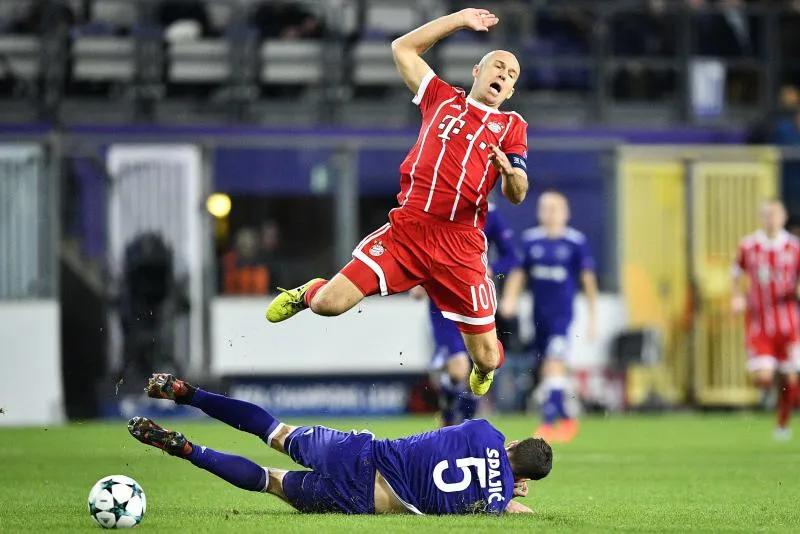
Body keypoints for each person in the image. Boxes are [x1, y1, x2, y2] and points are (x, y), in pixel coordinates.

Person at [265, 8, 529, 398]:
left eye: (510, 76)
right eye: (498, 67)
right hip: (409, 230)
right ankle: (306, 293)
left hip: (461, 245)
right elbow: (402, 48)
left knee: (489, 358)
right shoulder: (440, 98)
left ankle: (482, 367)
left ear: (509, 92)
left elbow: (518, 192)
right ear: (477, 71)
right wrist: (458, 19)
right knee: (329, 305)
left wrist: (509, 173)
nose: (503, 76)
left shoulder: (511, 126)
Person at [128, 373, 552, 515]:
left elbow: (488, 449)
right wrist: (510, 491)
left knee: (274, 432)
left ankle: (189, 394)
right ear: (525, 478)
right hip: (359, 497)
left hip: (357, 453)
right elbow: (516, 507)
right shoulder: (494, 505)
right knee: (269, 482)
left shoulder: (486, 432)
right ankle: (186, 450)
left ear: (512, 443)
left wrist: (507, 466)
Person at [412, 202, 525, 426]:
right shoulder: (438, 207)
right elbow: (421, 247)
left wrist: (492, 269)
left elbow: (511, 257)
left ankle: (464, 425)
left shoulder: (490, 214)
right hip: (442, 303)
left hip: (476, 301)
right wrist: (417, 278)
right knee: (458, 367)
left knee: (478, 366)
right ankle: (447, 419)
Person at [521, 191, 597, 443]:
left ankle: (547, 422)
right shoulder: (530, 241)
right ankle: (567, 418)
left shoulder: (575, 242)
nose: (551, 213)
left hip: (562, 317)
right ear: (539, 212)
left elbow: (588, 280)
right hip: (538, 317)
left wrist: (592, 316)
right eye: (546, 208)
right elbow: (519, 273)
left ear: (566, 213)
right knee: (546, 369)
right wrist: (509, 300)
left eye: (556, 208)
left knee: (554, 363)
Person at [732, 199, 800, 441]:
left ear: (783, 217)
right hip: (760, 323)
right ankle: (770, 395)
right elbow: (736, 274)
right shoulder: (749, 246)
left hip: (789, 325)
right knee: (763, 377)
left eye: (775, 215)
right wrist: (737, 297)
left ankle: (782, 425)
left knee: (789, 379)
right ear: (761, 218)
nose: (771, 219)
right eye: (767, 215)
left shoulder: (794, 247)